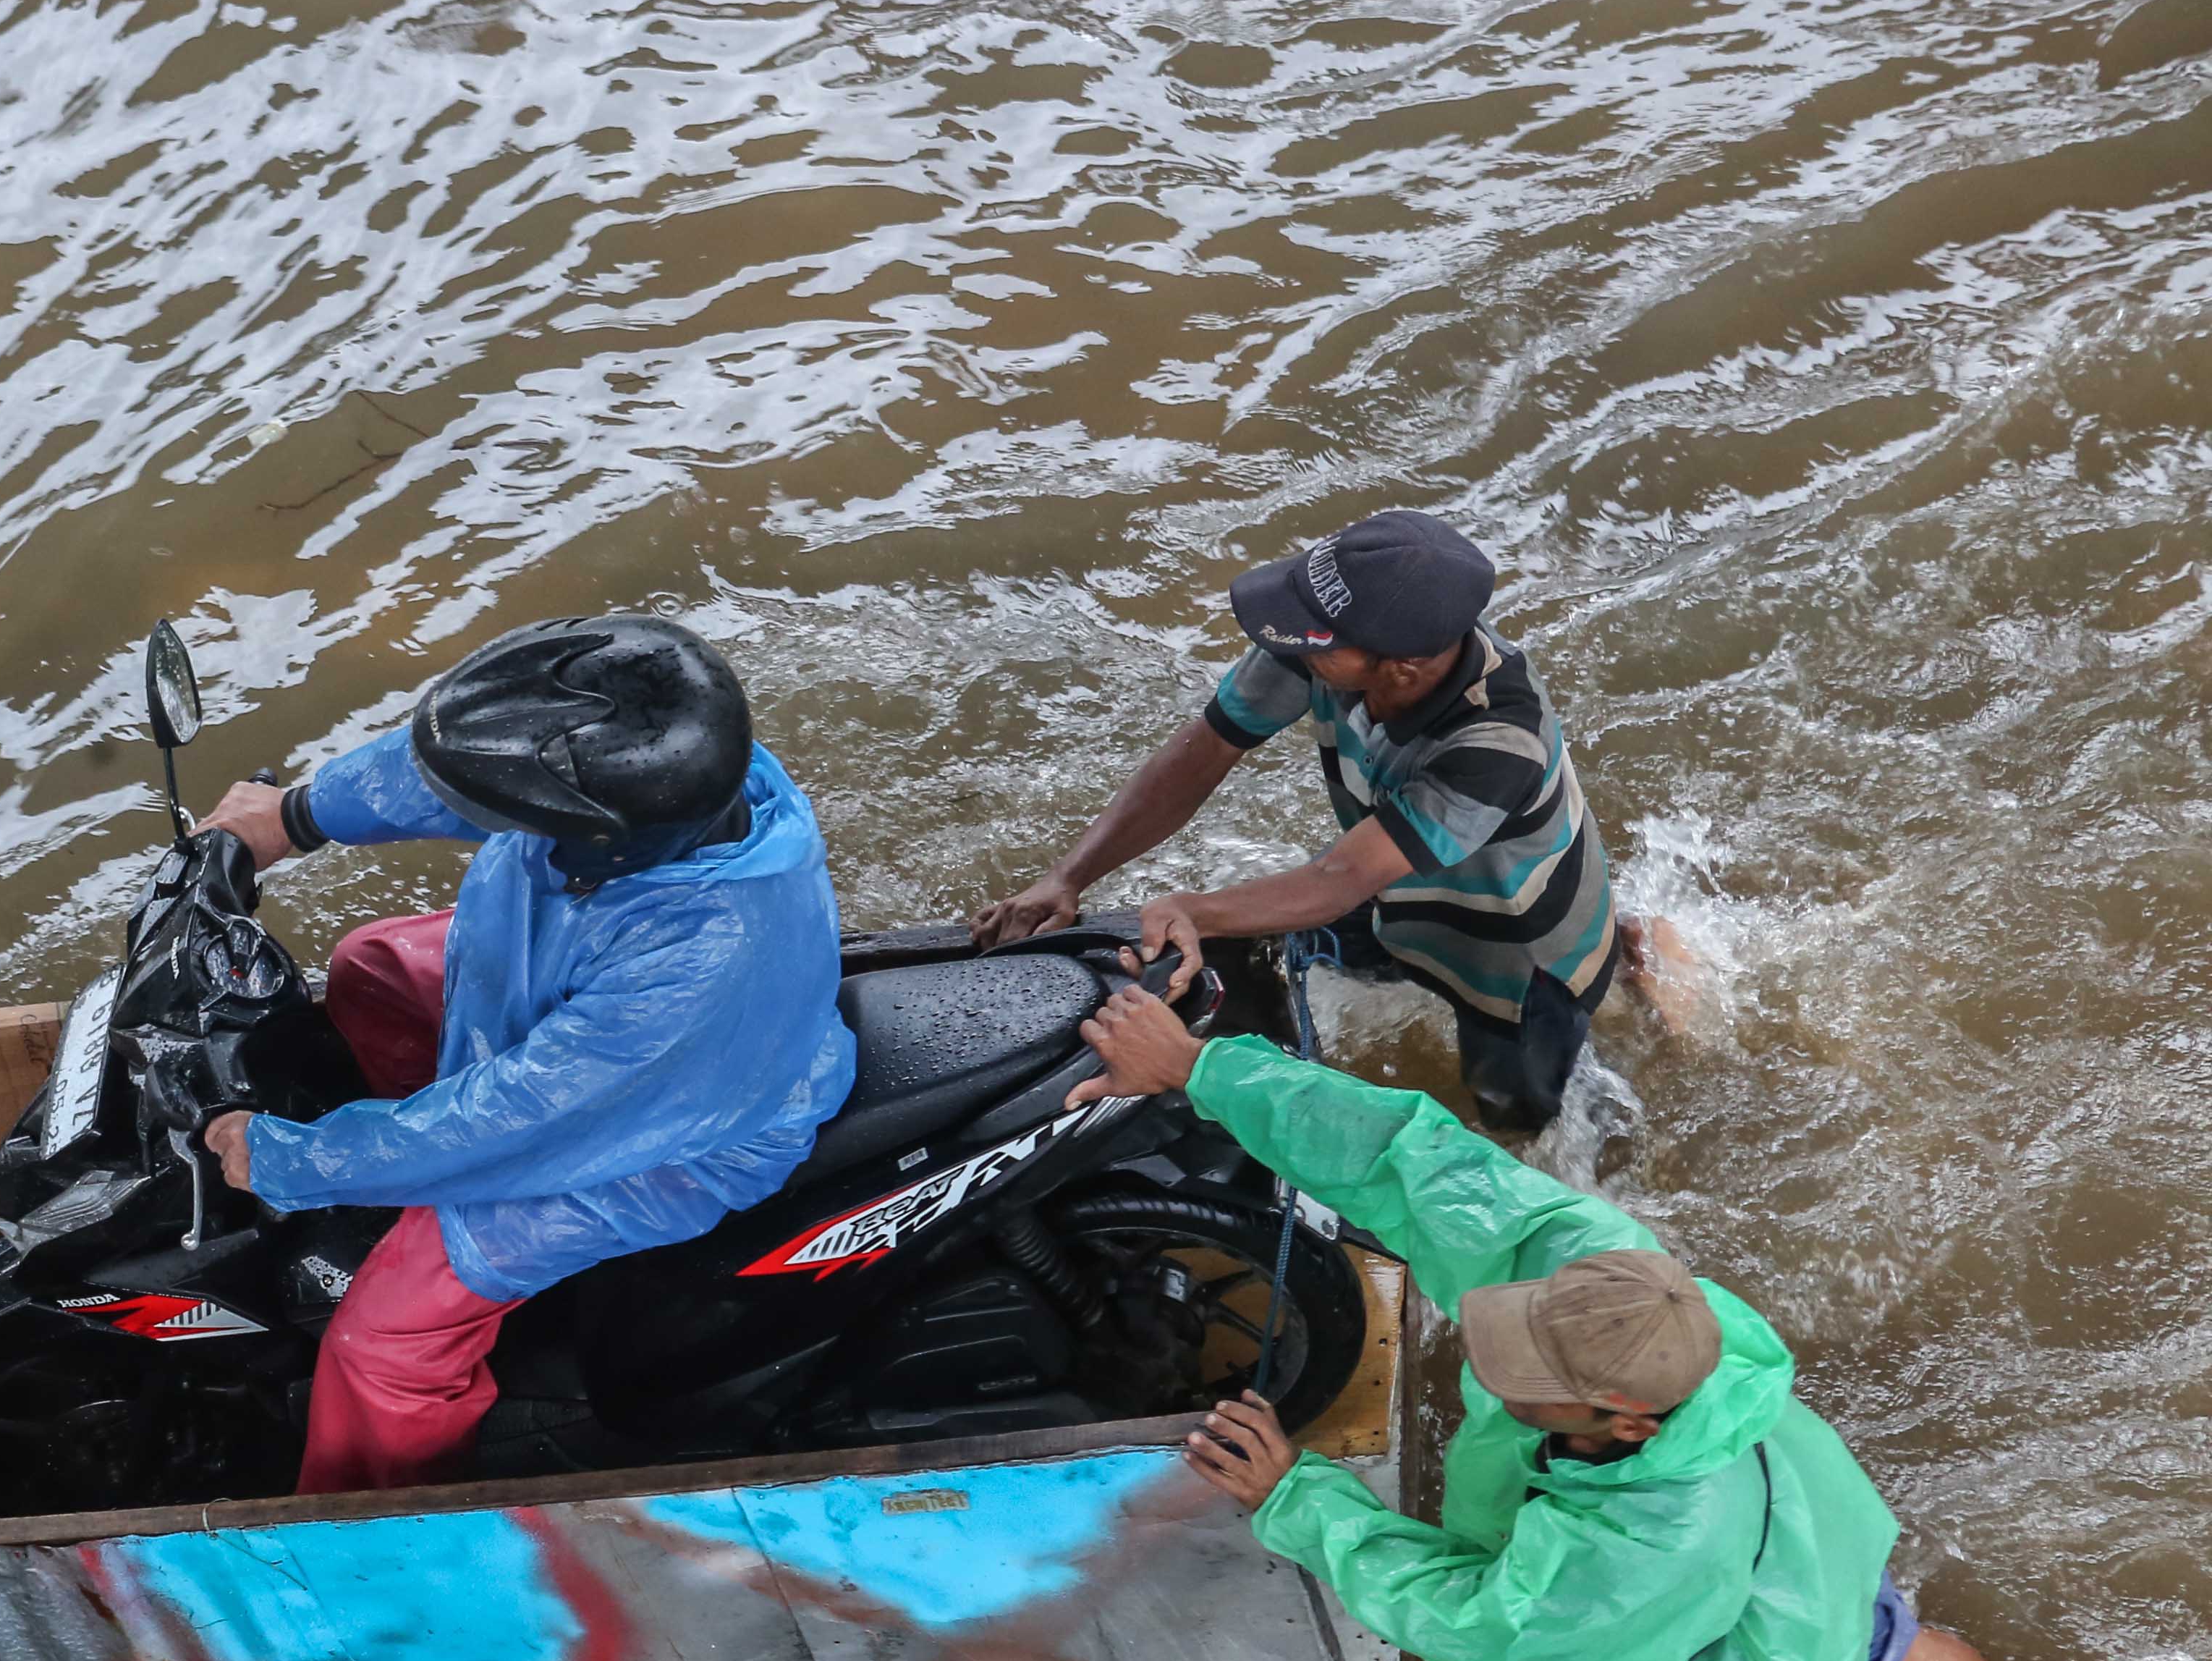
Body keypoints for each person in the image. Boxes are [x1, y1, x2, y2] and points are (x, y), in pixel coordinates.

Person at [1068, 981, 1986, 1661]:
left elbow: (1477, 1621)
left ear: (1623, 1422)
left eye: (1523, 1375)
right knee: (1863, 1639)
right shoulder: (1599, 1276)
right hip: (1816, 1544)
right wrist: (1201, 1068)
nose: (1487, 1347)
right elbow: (1412, 1158)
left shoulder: (1643, 1548)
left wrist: (1299, 1496)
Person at [188, 614, 854, 1492]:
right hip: (566, 991)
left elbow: (514, 1124)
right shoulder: (673, 780)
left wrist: (293, 1158)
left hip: (661, 1142)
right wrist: (298, 817)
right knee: (369, 966)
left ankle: (385, 1523)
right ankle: (402, 1177)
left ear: (599, 841)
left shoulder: (702, 962)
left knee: (383, 1342)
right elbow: (454, 772)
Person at [976, 509, 1659, 1138]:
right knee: (1258, 960)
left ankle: (1629, 963)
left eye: (1315, 640)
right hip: (1397, 891)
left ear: (1400, 670)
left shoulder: (1501, 741)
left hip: (1518, 951)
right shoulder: (1321, 651)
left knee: (1516, 1127)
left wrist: (1194, 909)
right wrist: (1068, 877)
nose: (1287, 644)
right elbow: (1203, 753)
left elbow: (1341, 876)